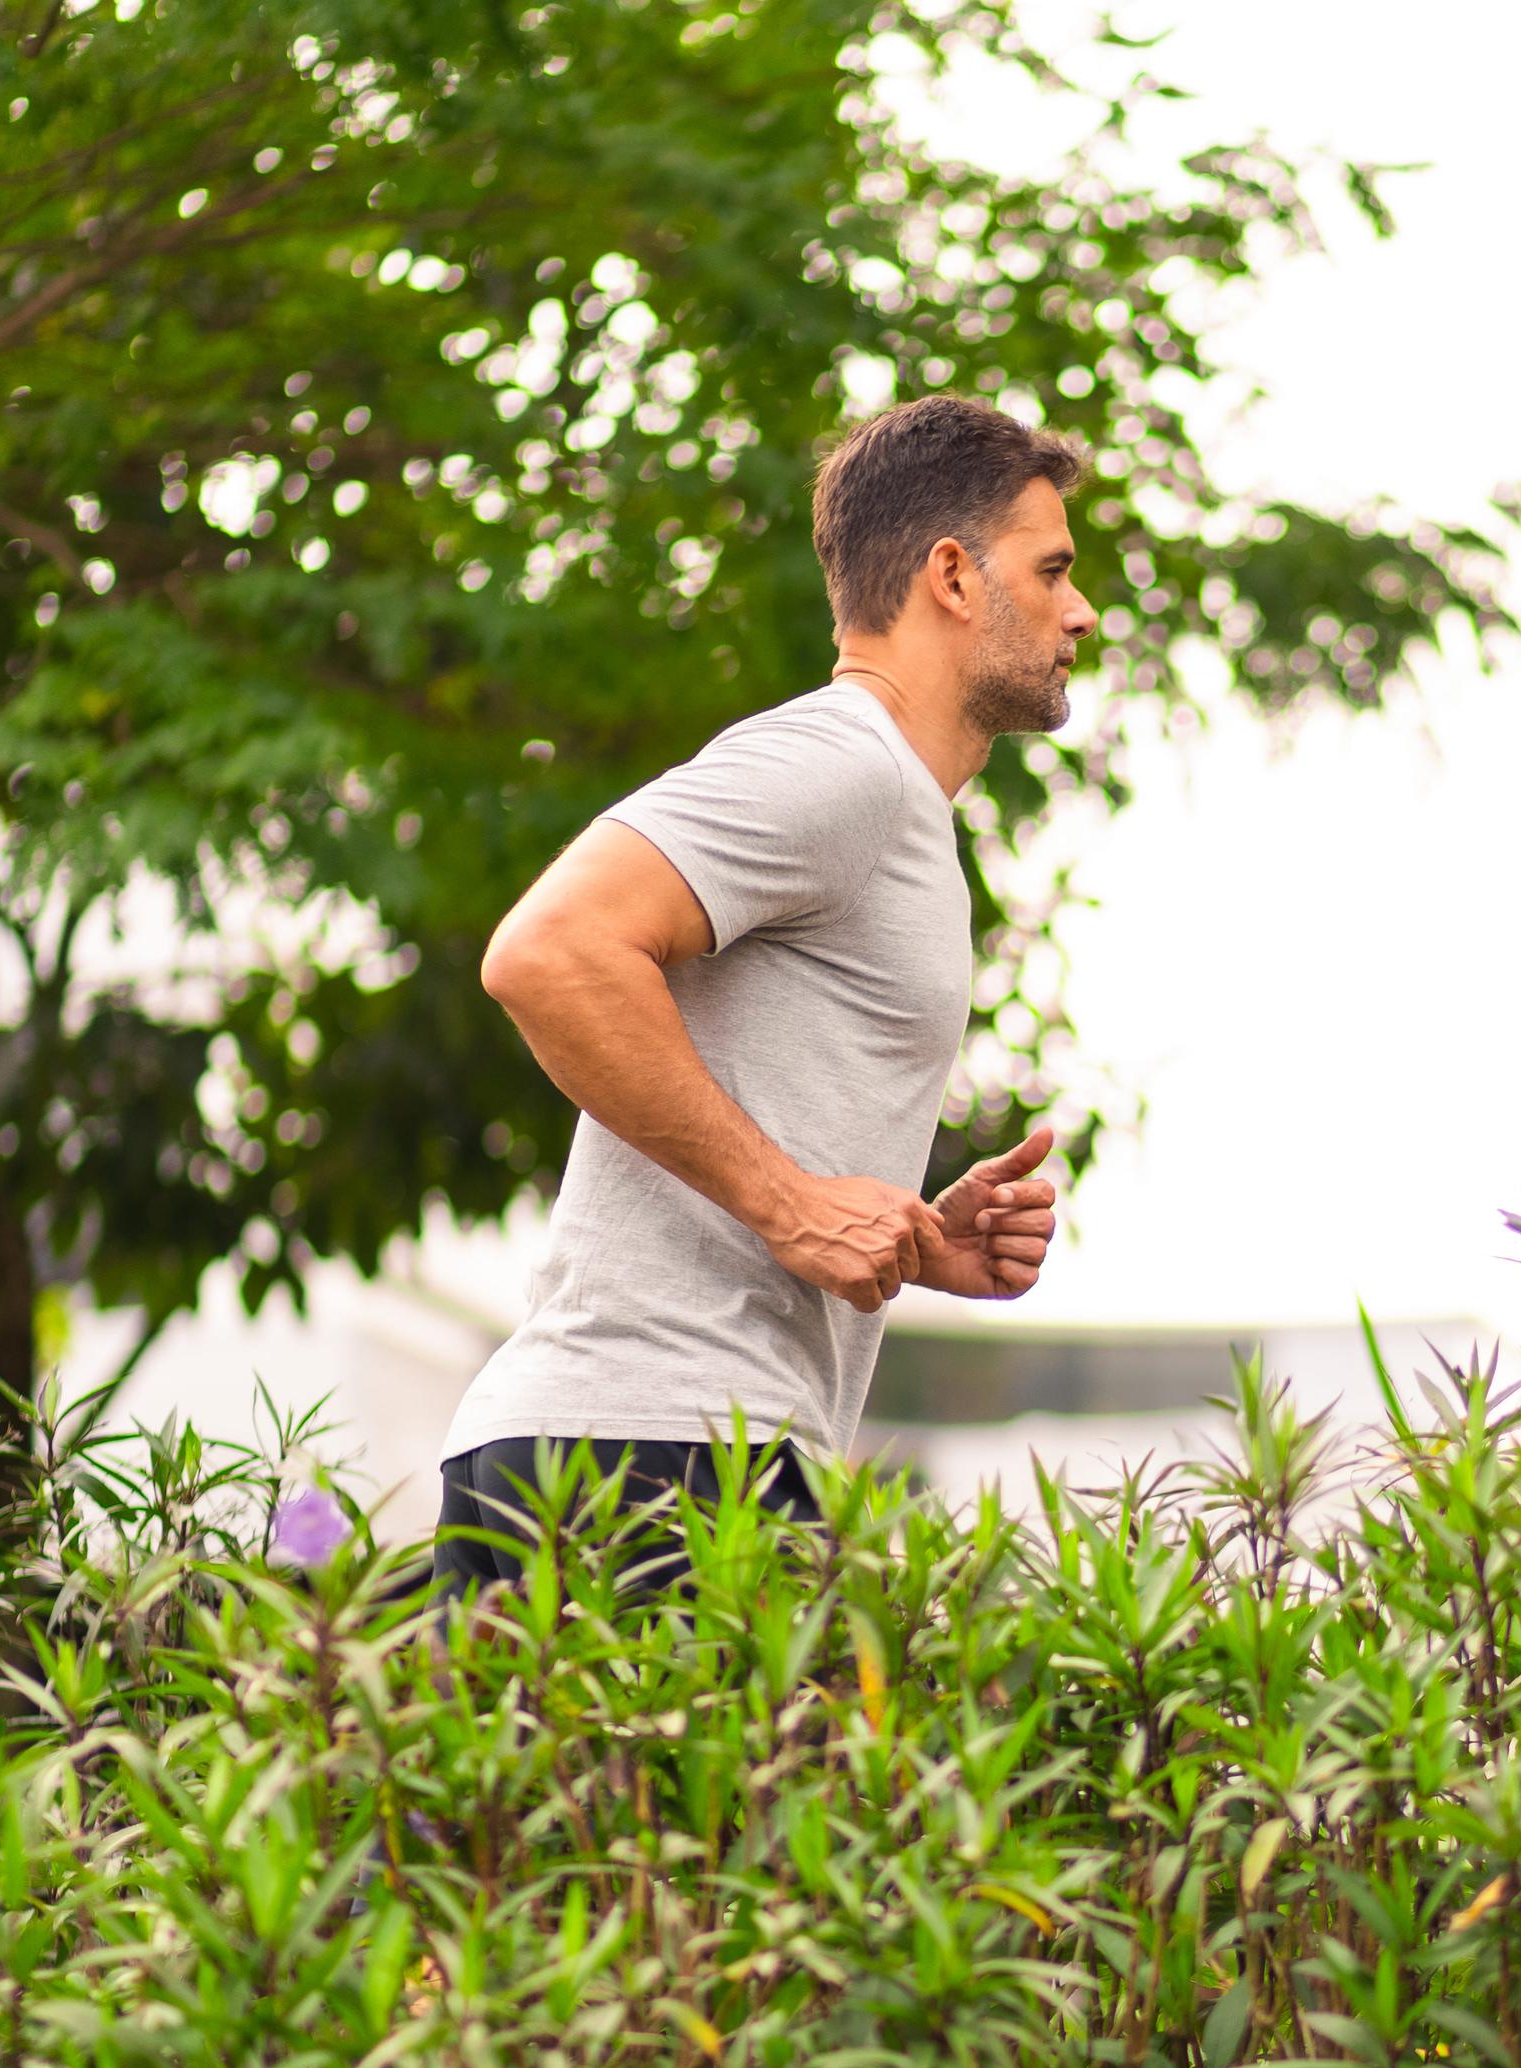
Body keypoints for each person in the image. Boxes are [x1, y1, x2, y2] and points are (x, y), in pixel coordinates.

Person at [434, 397, 1091, 1592]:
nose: (1081, 611)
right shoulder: (843, 761)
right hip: (657, 1456)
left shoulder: (892, 804)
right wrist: (791, 1205)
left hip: (643, 1445)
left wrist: (909, 1239)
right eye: (1051, 571)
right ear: (953, 576)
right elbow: (548, 951)